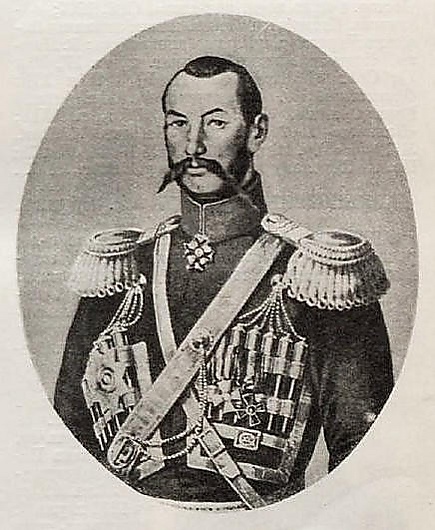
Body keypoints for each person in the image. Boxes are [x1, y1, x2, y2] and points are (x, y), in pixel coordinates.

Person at [54, 56, 394, 509]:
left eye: (215, 123)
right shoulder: (121, 270)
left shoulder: (318, 277)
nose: (193, 145)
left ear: (257, 132)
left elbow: (364, 464)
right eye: (178, 123)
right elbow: (67, 445)